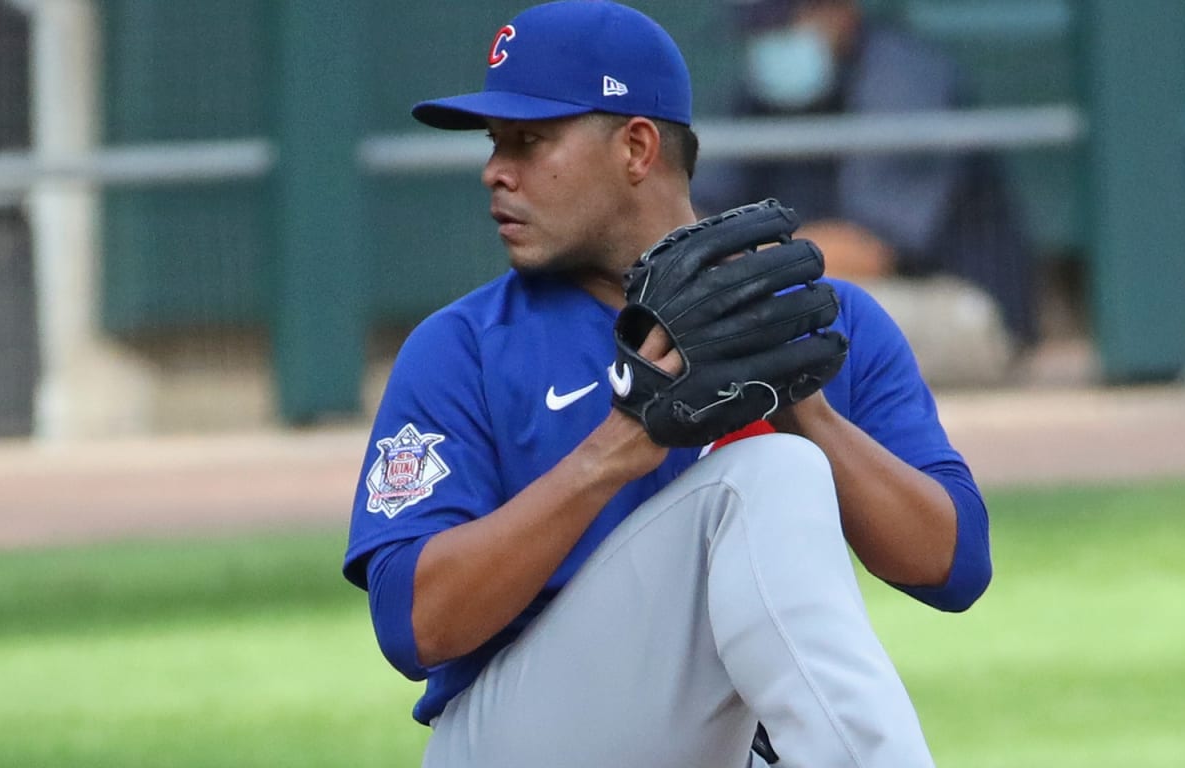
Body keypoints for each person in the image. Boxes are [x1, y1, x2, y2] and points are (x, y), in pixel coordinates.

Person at [342, 2, 991, 766]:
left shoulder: (821, 321)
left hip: (718, 740)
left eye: (528, 140)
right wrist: (618, 447)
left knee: (783, 464)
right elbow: (413, 627)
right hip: (514, 737)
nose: (495, 170)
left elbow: (953, 566)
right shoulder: (463, 347)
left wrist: (805, 412)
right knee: (763, 478)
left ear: (637, 147)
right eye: (495, 143)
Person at [695, 0, 1041, 351]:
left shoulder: (903, 77)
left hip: (958, 302)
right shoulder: (752, 95)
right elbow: (700, 214)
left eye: (781, 25)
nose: (768, 40)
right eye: (756, 29)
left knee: (794, 320)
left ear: (840, 11)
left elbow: (868, 251)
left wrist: (727, 270)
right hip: (808, 286)